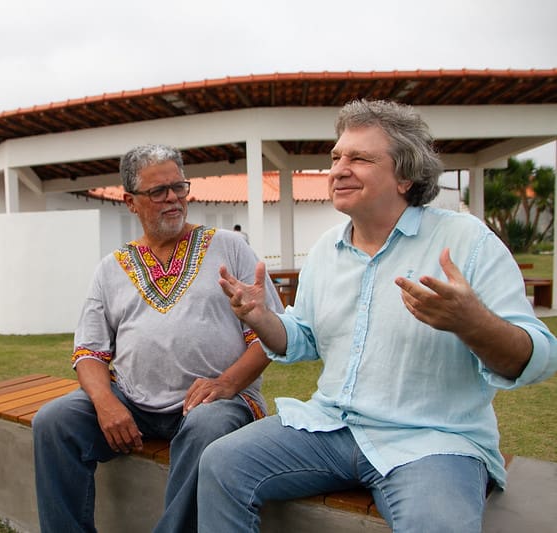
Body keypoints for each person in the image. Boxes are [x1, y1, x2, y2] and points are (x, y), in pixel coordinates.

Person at [199, 99, 557, 533]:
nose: (339, 169)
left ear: (405, 176)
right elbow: (303, 339)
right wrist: (261, 317)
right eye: (336, 157)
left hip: (432, 441)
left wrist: (471, 322)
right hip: (330, 427)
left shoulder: (466, 240)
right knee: (220, 462)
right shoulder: (326, 249)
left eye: (360, 158)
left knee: (437, 523)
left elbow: (538, 357)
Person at [32, 143, 283, 533]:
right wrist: (105, 404)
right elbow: (89, 352)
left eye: (178, 188)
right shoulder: (110, 268)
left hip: (219, 400)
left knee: (206, 429)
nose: (173, 199)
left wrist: (225, 384)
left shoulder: (230, 248)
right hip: (132, 400)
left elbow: (271, 337)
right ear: (131, 201)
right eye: (158, 192)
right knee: (53, 422)